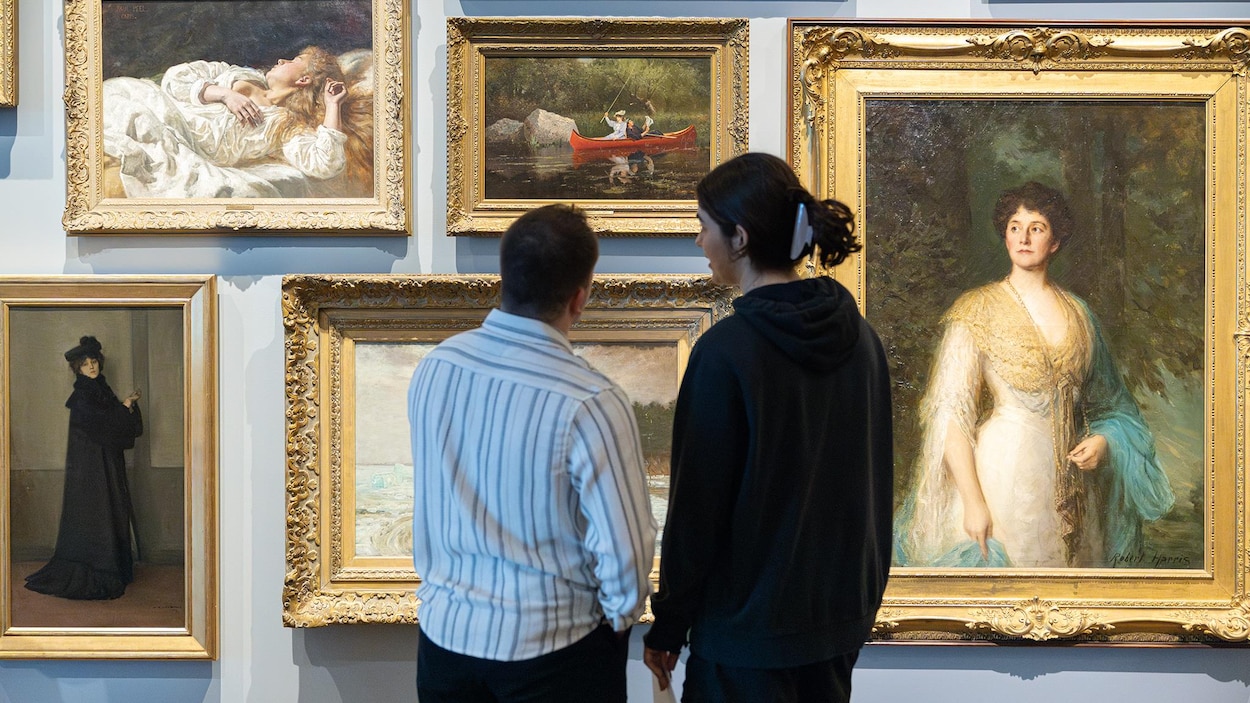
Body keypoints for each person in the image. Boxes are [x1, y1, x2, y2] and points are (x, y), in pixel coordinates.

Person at [643, 153, 894, 702]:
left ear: (739, 238)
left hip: (744, 638)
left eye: (703, 228)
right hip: (835, 626)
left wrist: (669, 624)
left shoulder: (724, 353)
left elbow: (697, 509)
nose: (697, 243)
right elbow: (874, 484)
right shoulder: (863, 341)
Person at [408, 204, 657, 703]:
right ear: (580, 297)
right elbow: (626, 557)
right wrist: (616, 624)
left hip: (444, 644)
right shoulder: (591, 401)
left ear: (504, 277)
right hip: (556, 653)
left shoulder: (436, 366)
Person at [893, 182, 1175, 568]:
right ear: (1005, 235)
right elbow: (949, 414)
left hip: (1074, 490)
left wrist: (1104, 441)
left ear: (1055, 241)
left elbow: (1112, 405)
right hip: (1001, 479)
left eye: (1037, 227)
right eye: (1015, 226)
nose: (1023, 237)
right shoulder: (976, 309)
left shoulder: (1079, 314)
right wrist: (974, 503)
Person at [103, 46, 373, 198]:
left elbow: (325, 163)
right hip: (164, 110)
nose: (281, 59)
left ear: (303, 80)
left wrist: (333, 105)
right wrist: (225, 94)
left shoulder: (285, 125)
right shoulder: (241, 74)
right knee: (118, 99)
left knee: (136, 127)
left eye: (295, 60)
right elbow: (176, 78)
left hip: (183, 142)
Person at [25, 336, 144, 600]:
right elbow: (103, 425)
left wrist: (126, 405)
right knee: (96, 512)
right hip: (90, 471)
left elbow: (113, 424)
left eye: (94, 362)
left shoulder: (101, 389)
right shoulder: (83, 396)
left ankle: (113, 565)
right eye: (86, 364)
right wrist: (124, 406)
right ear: (77, 368)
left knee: (112, 507)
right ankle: (98, 567)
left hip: (106, 464)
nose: (91, 367)